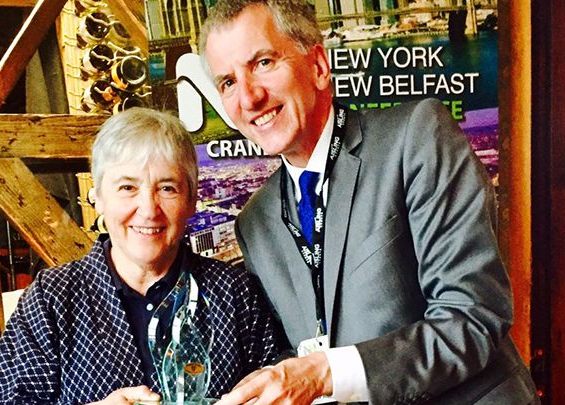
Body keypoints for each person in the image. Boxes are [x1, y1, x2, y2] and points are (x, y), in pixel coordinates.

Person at [199, 1, 539, 404]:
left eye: (263, 63)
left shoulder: (417, 136)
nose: (249, 97)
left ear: (319, 66)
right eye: (227, 83)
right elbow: (303, 351)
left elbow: (472, 316)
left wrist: (326, 373)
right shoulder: (255, 222)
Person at [0, 108, 281, 404]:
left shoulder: (234, 292)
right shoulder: (52, 299)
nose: (149, 210)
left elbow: (281, 386)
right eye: (127, 187)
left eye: (167, 188)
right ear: (97, 197)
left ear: (191, 201)